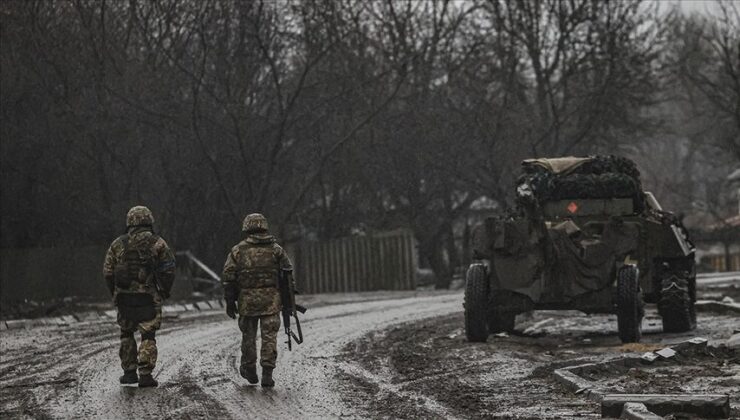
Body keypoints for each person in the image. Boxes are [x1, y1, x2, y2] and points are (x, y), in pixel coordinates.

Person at [103, 206, 175, 387]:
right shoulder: (158, 243)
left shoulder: (118, 243)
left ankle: (128, 373)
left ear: (129, 222)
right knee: (148, 334)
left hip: (124, 298)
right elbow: (169, 269)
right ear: (149, 220)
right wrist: (164, 290)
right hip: (148, 298)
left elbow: (108, 272)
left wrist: (114, 293)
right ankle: (145, 374)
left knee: (126, 333)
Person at [222, 213, 293, 387]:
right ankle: (267, 373)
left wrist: (230, 301)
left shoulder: (238, 250)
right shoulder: (276, 250)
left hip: (247, 301)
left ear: (247, 228)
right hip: (271, 301)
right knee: (269, 337)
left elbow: (228, 277)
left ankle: (249, 369)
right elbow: (288, 276)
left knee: (248, 337)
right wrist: (288, 300)